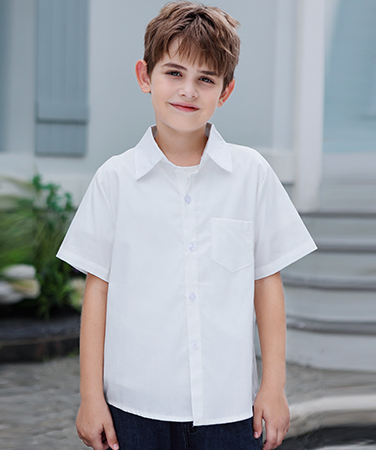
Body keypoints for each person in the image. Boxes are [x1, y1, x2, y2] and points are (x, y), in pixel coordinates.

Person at [56, 2, 317, 449]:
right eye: (174, 73)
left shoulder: (251, 174)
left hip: (229, 408)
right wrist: (89, 398)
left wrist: (272, 388)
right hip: (134, 407)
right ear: (145, 76)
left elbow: (266, 282)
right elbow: (97, 291)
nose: (188, 91)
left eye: (205, 79)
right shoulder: (115, 180)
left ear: (226, 90)